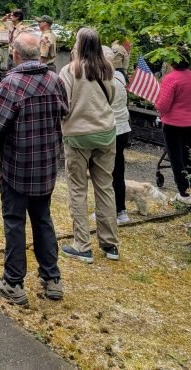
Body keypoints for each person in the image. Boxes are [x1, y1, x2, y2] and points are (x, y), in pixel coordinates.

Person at [0, 32, 68, 306]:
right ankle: (51, 278)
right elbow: (64, 112)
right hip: (46, 165)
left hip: (17, 167)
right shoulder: (55, 80)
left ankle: (13, 282)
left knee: (14, 222)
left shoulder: (12, 84)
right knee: (43, 219)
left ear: (15, 53)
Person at [59, 27, 119, 263]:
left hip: (77, 135)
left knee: (78, 188)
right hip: (105, 132)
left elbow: (64, 103)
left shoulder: (70, 70)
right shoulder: (107, 69)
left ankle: (82, 244)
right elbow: (111, 98)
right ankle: (110, 244)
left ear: (79, 45)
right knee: (105, 188)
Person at [154, 47, 191, 204]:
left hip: (173, 124)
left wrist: (155, 99)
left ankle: (183, 194)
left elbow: (163, 106)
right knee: (189, 158)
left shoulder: (171, 78)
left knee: (176, 159)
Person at [103, 45, 131, 225]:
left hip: (110, 128)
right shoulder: (120, 77)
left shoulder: (105, 81)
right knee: (118, 170)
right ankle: (120, 210)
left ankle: (109, 211)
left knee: (105, 172)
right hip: (123, 128)